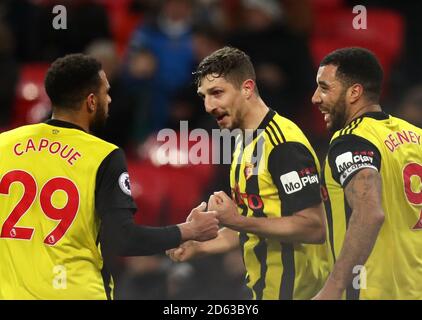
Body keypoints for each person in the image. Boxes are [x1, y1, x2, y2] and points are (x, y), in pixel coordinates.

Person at [0, 54, 219, 300]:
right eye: (106, 92)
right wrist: (188, 230)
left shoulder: (4, 144)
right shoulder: (103, 155)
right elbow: (121, 239)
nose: (110, 99)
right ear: (91, 101)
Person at [167, 46, 332, 300]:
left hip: (298, 292)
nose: (209, 105)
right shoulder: (243, 143)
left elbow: (314, 227)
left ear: (246, 88)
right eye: (204, 96)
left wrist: (237, 220)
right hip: (263, 290)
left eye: (217, 93)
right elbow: (253, 225)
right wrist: (199, 246)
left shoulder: (283, 144)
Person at [311, 47, 422, 300]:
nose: (315, 98)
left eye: (324, 87)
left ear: (354, 92)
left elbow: (370, 212)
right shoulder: (416, 137)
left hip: (370, 292)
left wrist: (334, 287)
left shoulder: (351, 140)